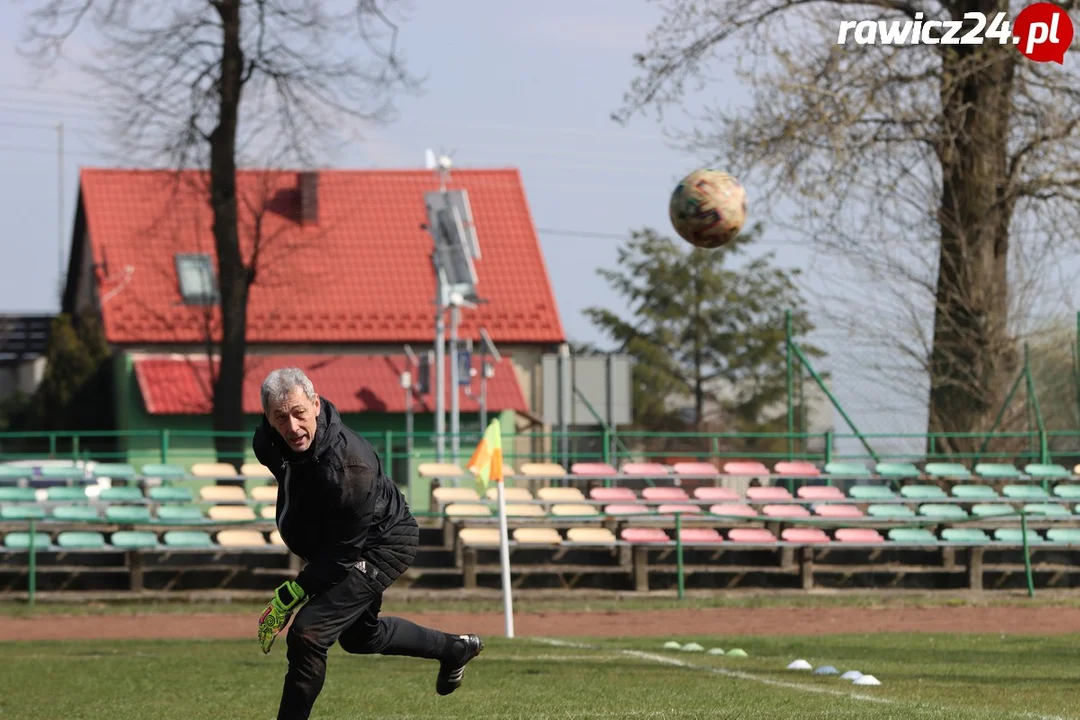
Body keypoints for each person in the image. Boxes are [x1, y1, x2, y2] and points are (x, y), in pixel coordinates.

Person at [252, 366, 483, 720]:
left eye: (299, 414)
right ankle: (454, 649)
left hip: (382, 542)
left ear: (315, 404)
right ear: (268, 418)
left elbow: (346, 553)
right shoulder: (268, 441)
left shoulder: (350, 467)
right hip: (340, 544)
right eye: (280, 418)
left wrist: (291, 596)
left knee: (308, 633)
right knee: (362, 638)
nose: (292, 427)